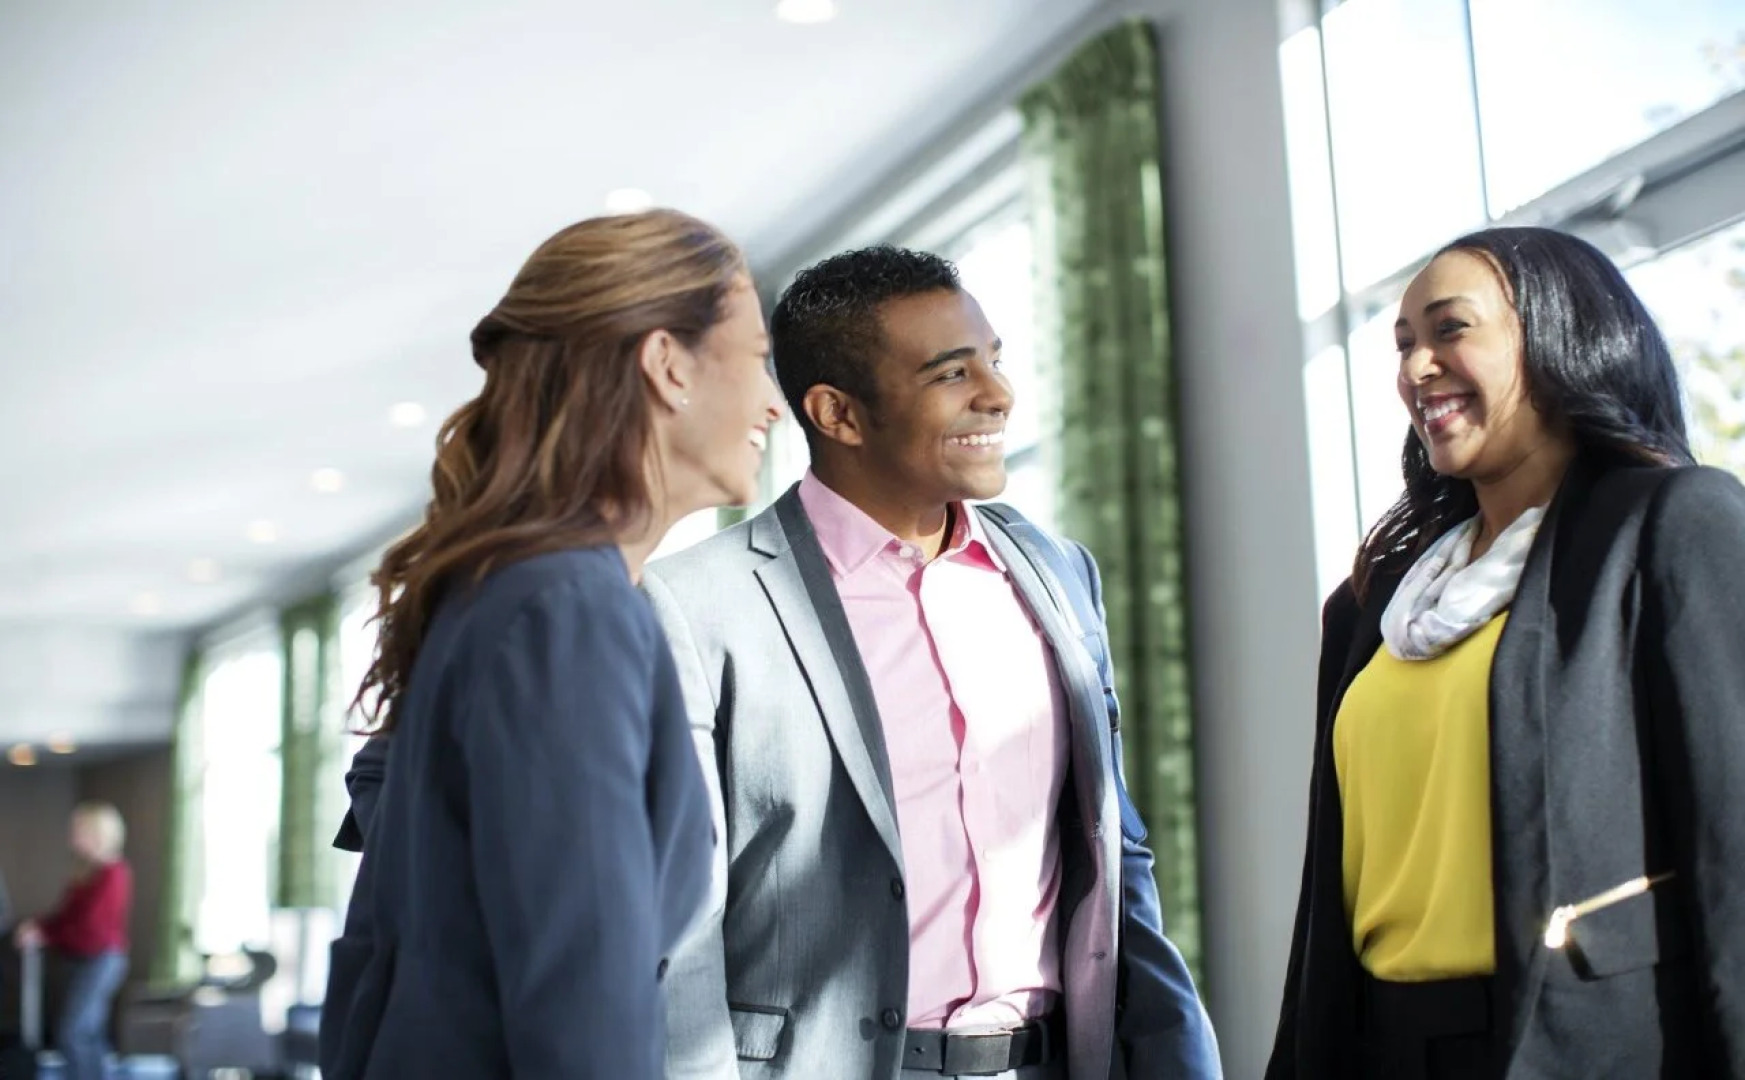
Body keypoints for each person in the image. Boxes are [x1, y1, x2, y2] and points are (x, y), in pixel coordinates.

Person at [644, 246, 1220, 1080]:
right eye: (952, 373)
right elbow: (678, 928)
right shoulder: (696, 604)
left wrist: (1178, 1057)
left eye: (993, 360)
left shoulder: (1056, 571)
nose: (997, 393)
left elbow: (1113, 850)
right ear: (838, 414)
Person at [1266, 226, 1745, 1079]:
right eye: (1403, 344)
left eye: (1449, 330)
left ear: (1561, 336)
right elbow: (1324, 900)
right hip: (1376, 1043)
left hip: (1570, 1044)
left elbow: (1731, 845)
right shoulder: (1373, 602)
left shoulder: (1670, 524)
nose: (1416, 368)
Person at [319, 209, 784, 1080]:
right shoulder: (568, 610)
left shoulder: (515, 589)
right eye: (759, 358)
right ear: (667, 364)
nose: (773, 402)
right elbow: (582, 1007)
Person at [11, 802, 133, 1080]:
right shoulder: (86, 873)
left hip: (101, 959)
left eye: (78, 831)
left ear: (96, 833)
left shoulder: (113, 873)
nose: (72, 838)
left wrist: (47, 935)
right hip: (85, 959)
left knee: (73, 1033)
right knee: (88, 1033)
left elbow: (90, 927)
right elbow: (66, 916)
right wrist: (39, 927)